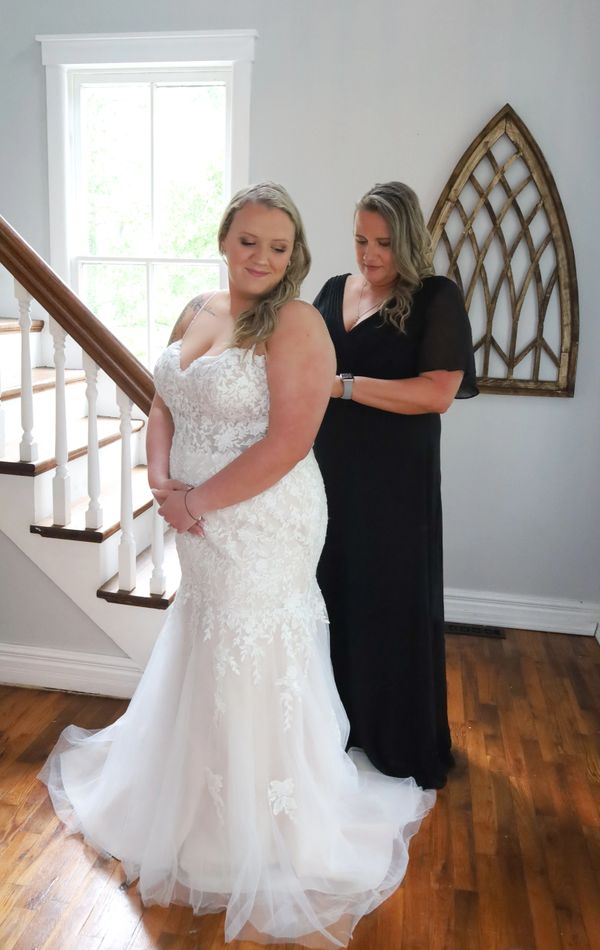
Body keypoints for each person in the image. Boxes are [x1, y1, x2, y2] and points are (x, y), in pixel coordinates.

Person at [39, 182, 435, 948]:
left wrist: (196, 501)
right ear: (224, 238)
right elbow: (164, 403)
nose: (261, 257)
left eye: (278, 247)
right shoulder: (197, 310)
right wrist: (161, 481)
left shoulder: (297, 324)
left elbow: (288, 443)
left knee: (250, 646)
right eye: (249, 240)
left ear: (294, 255)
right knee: (207, 636)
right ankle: (192, 802)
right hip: (195, 517)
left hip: (262, 520)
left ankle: (257, 828)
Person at [313, 181, 478, 791]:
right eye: (361, 239)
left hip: (396, 479)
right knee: (329, 589)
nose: (369, 254)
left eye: (383, 242)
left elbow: (437, 393)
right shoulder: (334, 290)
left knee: (389, 594)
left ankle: (396, 736)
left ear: (408, 240)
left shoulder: (436, 297)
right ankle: (335, 726)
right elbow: (303, 364)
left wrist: (345, 386)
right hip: (327, 468)